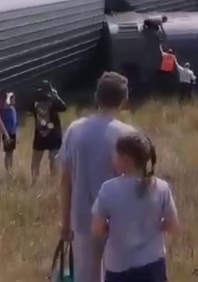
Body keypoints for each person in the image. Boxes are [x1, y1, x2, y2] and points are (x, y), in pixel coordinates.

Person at [59, 72, 138, 282]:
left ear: (96, 97)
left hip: (82, 220)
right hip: (117, 222)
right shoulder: (127, 135)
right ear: (124, 100)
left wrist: (65, 221)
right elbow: (134, 184)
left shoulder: (74, 130)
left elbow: (66, 179)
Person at [91, 133, 179, 282]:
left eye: (116, 156)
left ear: (126, 159)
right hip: (153, 264)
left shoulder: (109, 189)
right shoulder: (161, 187)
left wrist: (110, 228)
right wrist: (156, 225)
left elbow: (97, 229)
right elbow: (173, 225)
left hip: (120, 266)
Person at [31, 81, 67, 185]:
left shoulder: (35, 101)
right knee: (53, 159)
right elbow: (63, 107)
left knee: (36, 160)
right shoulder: (53, 100)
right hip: (53, 134)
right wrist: (56, 95)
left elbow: (29, 107)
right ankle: (53, 181)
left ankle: (34, 181)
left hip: (40, 133)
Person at [0, 92, 18, 176]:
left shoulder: (12, 108)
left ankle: (11, 169)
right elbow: (6, 104)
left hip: (13, 133)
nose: (14, 100)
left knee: (11, 152)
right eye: (12, 98)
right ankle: (8, 171)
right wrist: (8, 96)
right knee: (8, 153)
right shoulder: (6, 108)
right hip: (7, 133)